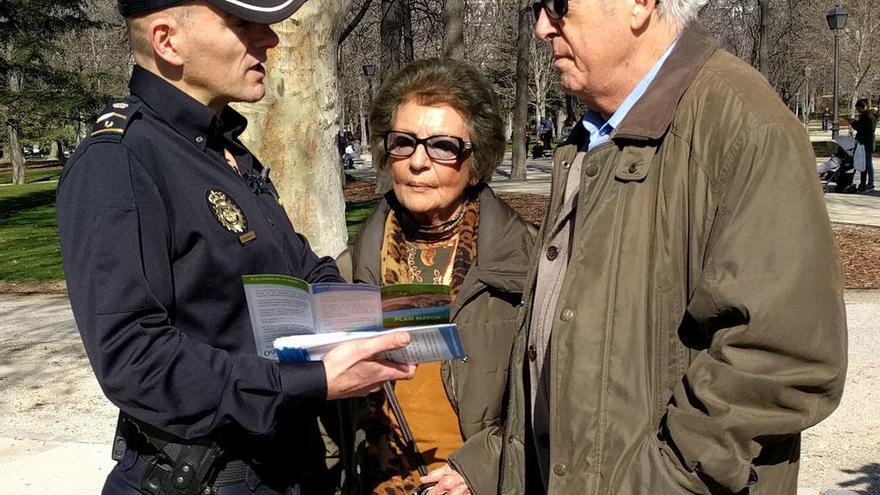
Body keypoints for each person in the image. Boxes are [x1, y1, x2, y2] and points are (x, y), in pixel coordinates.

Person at [56, 1, 416, 493]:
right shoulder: (120, 159)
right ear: (167, 40)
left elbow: (303, 270)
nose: (270, 41)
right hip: (206, 478)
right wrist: (311, 382)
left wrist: (379, 324)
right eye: (245, 25)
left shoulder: (224, 149)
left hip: (286, 469)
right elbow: (134, 359)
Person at [499, 1, 848, 494]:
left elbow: (784, 357)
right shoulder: (593, 136)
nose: (540, 27)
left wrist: (660, 481)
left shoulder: (742, 126)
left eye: (558, 5)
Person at [340, 58, 535, 495]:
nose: (417, 163)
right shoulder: (349, 271)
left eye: (443, 147)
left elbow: (557, 398)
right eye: (403, 142)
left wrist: (481, 470)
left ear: (477, 161)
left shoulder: (533, 264)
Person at [848, 98, 876, 191]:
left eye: (858, 108)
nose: (858, 110)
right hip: (862, 143)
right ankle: (863, 183)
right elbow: (860, 127)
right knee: (863, 164)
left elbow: (865, 130)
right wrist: (854, 123)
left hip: (866, 143)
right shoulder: (865, 116)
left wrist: (853, 123)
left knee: (868, 164)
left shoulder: (869, 117)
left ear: (863, 107)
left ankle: (870, 183)